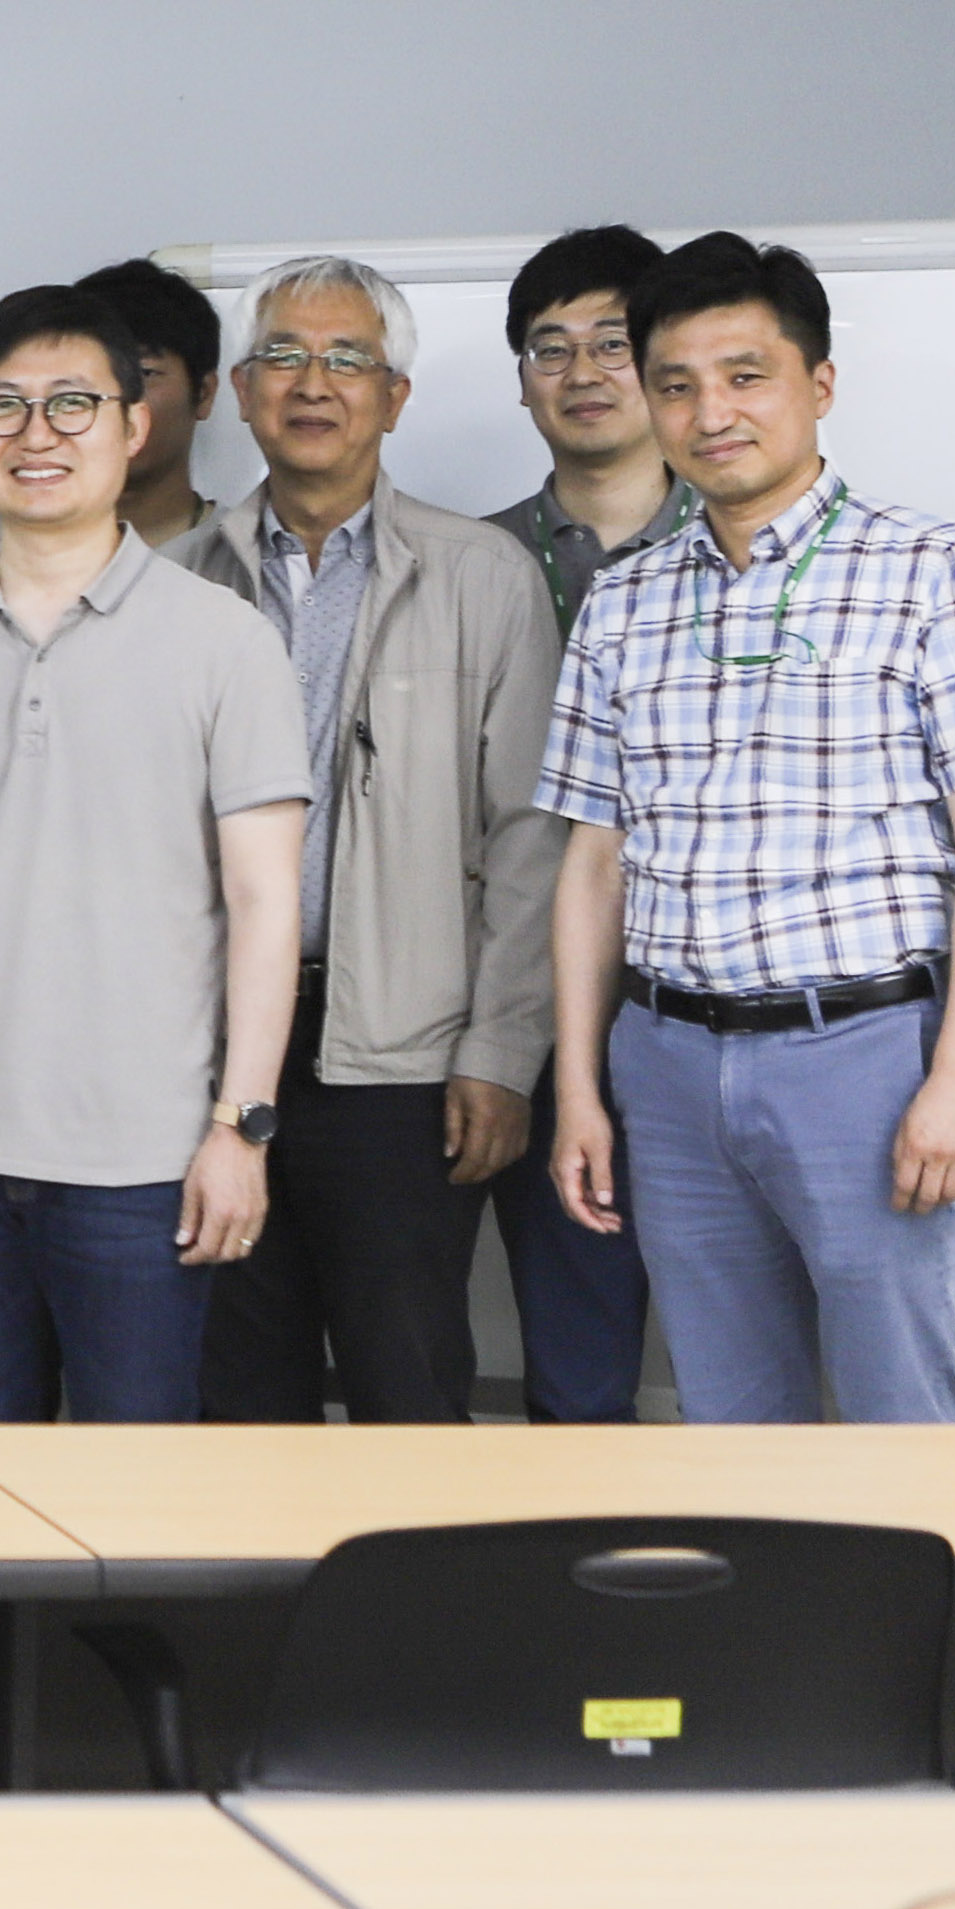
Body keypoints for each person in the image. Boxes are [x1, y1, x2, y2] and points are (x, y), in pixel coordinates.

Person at [540, 235, 955, 1428]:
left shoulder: (929, 567)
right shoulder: (623, 597)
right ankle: (767, 1626)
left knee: (893, 1411)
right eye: (674, 383)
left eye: (743, 374)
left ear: (817, 385)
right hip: (663, 1063)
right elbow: (591, 864)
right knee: (727, 1415)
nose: (709, 411)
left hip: (861, 1057)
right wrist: (577, 1085)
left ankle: (914, 1619)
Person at [0, 285, 306, 1426]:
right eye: (1, 407)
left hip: (141, 1159)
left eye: (70, 404)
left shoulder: (225, 642)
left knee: (133, 1487)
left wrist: (238, 1128)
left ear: (133, 426)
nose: (34, 436)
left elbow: (263, 903)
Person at [166, 257, 566, 1426]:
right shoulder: (176, 582)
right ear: (239, 391)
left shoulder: (480, 574)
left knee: (407, 1380)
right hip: (214, 1051)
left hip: (397, 1059)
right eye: (283, 356)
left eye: (347, 359)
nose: (312, 383)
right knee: (236, 1389)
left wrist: (499, 1050)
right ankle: (258, 1617)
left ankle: (423, 1615)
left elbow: (531, 839)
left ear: (392, 397)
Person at [474, 225, 687, 1423]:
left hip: (691, 1007)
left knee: (737, 1345)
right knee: (572, 1357)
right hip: (509, 1013)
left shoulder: (740, 552)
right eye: (548, 348)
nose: (581, 371)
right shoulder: (465, 560)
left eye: (611, 342)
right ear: (518, 381)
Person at [74, 257, 224, 550]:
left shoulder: (249, 563)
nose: (114, 398)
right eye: (89, 377)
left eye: (143, 373)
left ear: (204, 393)